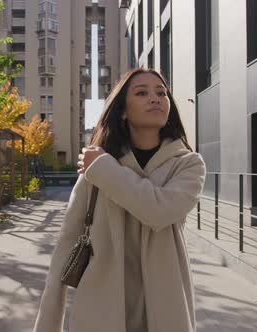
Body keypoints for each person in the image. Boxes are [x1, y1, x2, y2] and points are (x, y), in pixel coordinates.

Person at [33, 68, 206, 332]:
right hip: (100, 307)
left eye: (162, 93)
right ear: (123, 111)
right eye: (142, 92)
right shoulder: (96, 166)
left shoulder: (189, 165)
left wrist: (104, 169)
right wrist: (48, 324)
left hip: (165, 306)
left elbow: (159, 211)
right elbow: (66, 245)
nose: (155, 98)